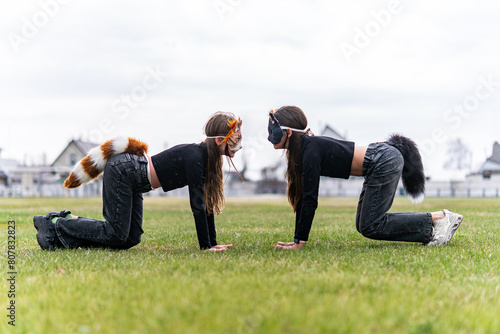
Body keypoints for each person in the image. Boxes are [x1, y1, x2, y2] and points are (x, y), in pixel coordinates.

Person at [34, 112, 242, 252]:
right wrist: (206, 247)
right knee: (115, 233)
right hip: (124, 171)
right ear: (218, 141)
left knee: (130, 239)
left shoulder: (204, 159)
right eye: (233, 143)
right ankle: (56, 222)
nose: (234, 150)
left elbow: (205, 205)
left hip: (134, 179)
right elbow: (197, 204)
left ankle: (64, 232)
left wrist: (214, 244)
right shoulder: (196, 157)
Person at [267, 106, 463, 250]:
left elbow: (310, 198)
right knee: (364, 225)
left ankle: (441, 218)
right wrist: (296, 238)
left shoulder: (310, 150)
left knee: (370, 225)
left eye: (274, 132)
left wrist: (300, 242)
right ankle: (434, 229)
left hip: (383, 160)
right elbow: (302, 198)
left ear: (289, 133)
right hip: (378, 162)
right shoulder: (305, 149)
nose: (270, 137)